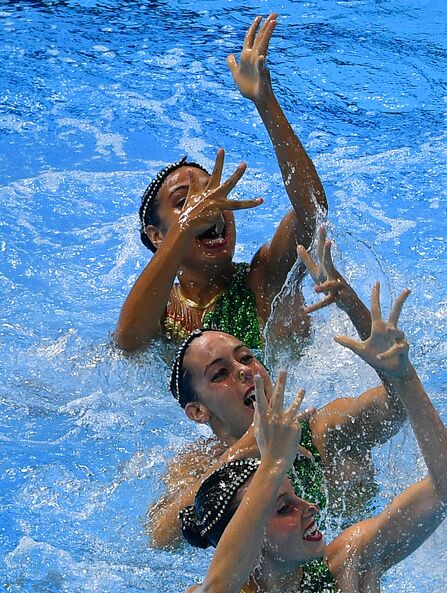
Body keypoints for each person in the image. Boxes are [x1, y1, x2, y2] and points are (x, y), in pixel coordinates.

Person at [175, 287, 447, 593]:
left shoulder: (348, 562)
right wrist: (273, 462)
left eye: (246, 357)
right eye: (282, 508)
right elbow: (218, 587)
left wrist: (406, 377)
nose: (309, 505)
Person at [146, 228, 400, 550]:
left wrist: (356, 313)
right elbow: (160, 538)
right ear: (198, 412)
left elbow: (399, 407)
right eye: (220, 373)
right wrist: (248, 447)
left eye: (246, 358)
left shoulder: (319, 432)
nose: (243, 371)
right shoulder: (197, 465)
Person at [116, 14, 327, 354]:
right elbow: (129, 344)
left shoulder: (262, 280)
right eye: (185, 200)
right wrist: (185, 228)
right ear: (156, 236)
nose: (208, 205)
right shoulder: (157, 307)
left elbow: (312, 211)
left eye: (212, 189)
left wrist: (266, 103)